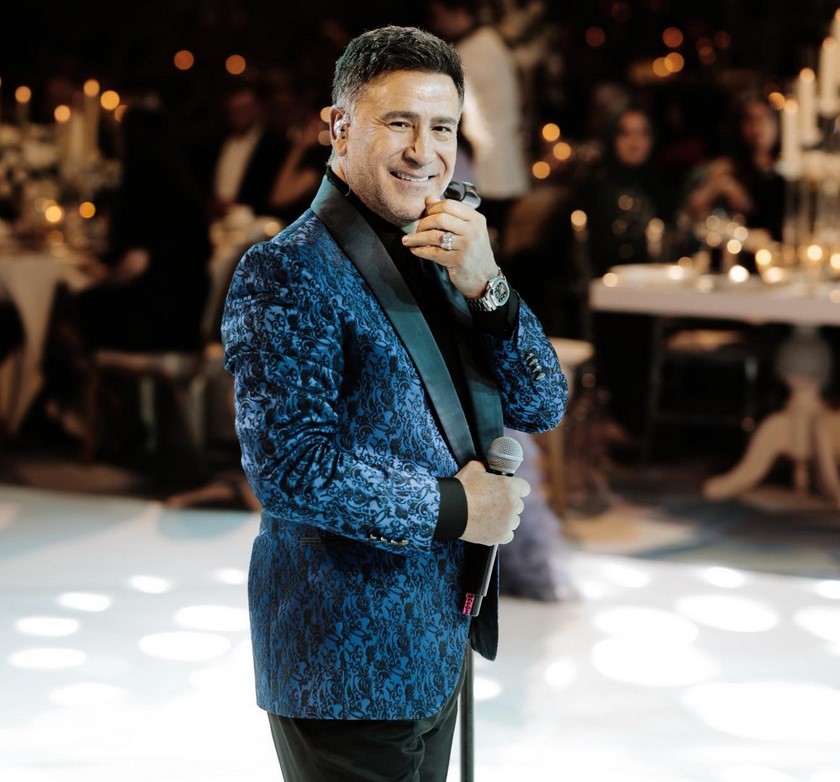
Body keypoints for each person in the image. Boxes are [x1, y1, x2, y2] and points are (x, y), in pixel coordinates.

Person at [221, 25, 567, 781]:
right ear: (339, 127)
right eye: (399, 123)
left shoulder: (450, 253)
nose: (424, 151)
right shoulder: (285, 271)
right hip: (342, 662)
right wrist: (459, 508)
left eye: (442, 127)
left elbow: (542, 401)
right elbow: (291, 468)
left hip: (437, 644)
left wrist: (490, 287)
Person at [425, 0, 532, 247]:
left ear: (458, 11)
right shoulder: (491, 41)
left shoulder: (470, 52)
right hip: (505, 167)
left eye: (438, 15)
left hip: (484, 172)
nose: (436, 23)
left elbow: (455, 110)